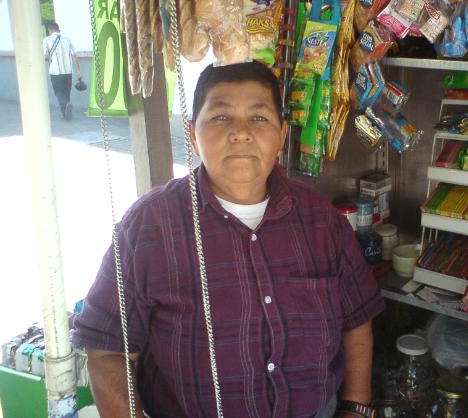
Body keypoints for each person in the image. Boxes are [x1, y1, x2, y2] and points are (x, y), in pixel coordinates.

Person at [73, 61, 385, 418]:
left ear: (282, 134)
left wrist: (356, 408)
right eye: (221, 117)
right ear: (193, 134)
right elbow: (108, 349)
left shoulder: (320, 219)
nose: (241, 133)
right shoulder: (147, 227)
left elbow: (357, 317)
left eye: (259, 117)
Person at [43, 21, 82, 121]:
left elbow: (45, 57)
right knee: (67, 91)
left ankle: (65, 107)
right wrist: (78, 70)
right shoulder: (67, 40)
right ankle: (66, 112)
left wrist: (48, 59)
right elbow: (74, 56)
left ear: (49, 30)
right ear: (58, 29)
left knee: (59, 92)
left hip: (55, 72)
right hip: (68, 71)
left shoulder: (46, 40)